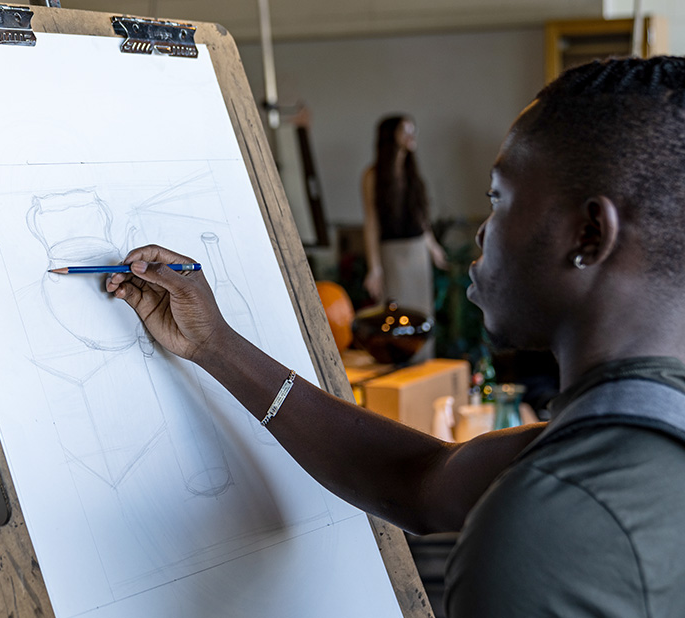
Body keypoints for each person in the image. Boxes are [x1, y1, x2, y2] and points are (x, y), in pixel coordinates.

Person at [108, 56, 685, 616]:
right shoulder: (632, 438)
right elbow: (421, 482)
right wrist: (217, 345)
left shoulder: (548, 527)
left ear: (589, 235)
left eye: (498, 199)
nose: (484, 230)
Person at [361, 115, 447, 317]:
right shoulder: (372, 176)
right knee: (395, 316)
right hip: (391, 254)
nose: (411, 135)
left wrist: (433, 247)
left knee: (422, 316)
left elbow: (420, 217)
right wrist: (374, 268)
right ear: (390, 136)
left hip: (418, 253)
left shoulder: (412, 174)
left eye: (413, 130)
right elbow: (371, 223)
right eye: (405, 130)